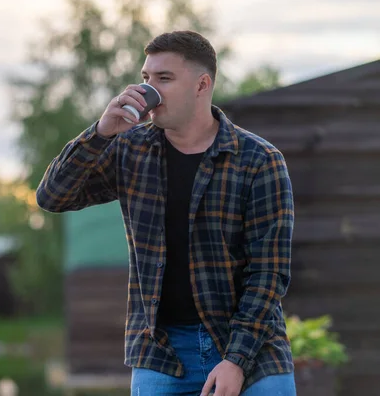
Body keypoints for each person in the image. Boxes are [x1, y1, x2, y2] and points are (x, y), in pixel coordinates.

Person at [36, 30, 296, 396]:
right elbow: (52, 196)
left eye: (164, 79)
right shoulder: (130, 150)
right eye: (146, 78)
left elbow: (269, 273)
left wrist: (236, 360)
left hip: (251, 347)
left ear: (201, 85)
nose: (149, 91)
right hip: (162, 351)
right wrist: (100, 132)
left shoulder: (259, 160)